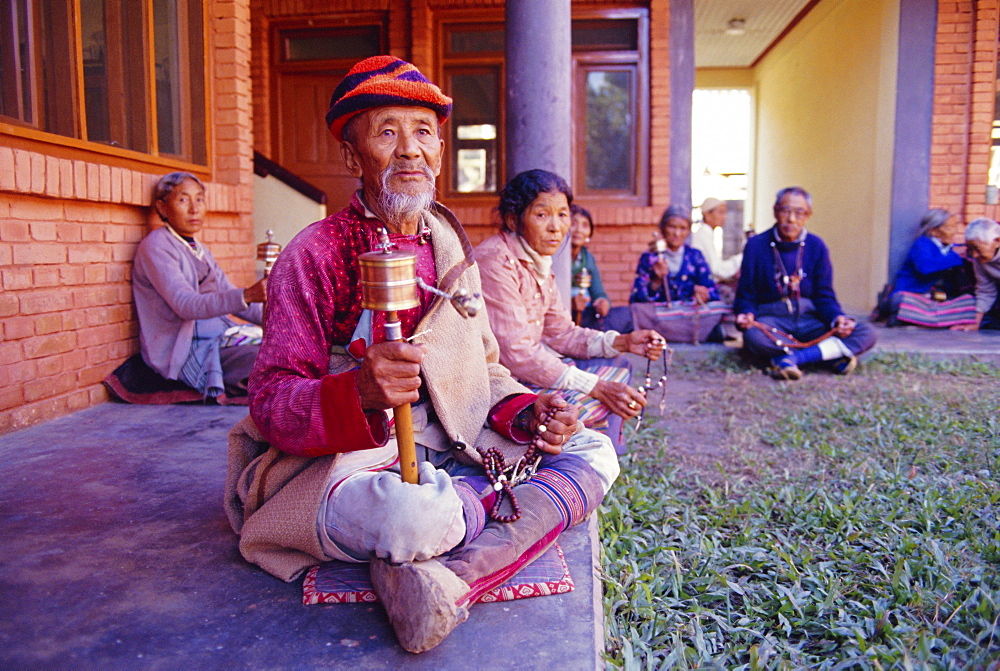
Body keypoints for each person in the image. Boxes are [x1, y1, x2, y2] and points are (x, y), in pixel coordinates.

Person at [223, 56, 629, 655]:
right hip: (347, 459)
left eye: (422, 132)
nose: (409, 150)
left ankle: (448, 576)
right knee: (411, 518)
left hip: (450, 436)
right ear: (351, 154)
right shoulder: (313, 254)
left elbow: (484, 366)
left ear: (440, 147)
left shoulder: (449, 246)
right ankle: (460, 522)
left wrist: (526, 410)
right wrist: (357, 392)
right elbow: (273, 400)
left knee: (593, 446)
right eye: (387, 132)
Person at [475, 169, 666, 455]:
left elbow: (561, 331)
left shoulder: (536, 261)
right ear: (514, 219)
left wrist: (622, 341)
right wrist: (597, 387)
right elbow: (517, 354)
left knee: (620, 364)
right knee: (597, 396)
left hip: (521, 372)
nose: (556, 227)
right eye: (542, 215)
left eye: (563, 215)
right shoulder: (496, 261)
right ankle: (581, 454)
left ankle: (602, 450)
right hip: (496, 385)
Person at [132, 172, 265, 398]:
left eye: (199, 199)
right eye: (183, 200)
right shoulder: (156, 246)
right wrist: (248, 294)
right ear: (162, 208)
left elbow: (231, 296)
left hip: (219, 336)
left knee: (288, 345)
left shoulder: (198, 249)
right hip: (188, 349)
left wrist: (285, 320)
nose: (194, 208)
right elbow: (186, 305)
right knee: (272, 358)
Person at [734, 186, 876, 380]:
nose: (792, 219)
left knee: (865, 332)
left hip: (810, 321)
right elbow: (746, 294)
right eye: (786, 211)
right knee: (753, 337)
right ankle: (826, 356)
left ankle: (789, 359)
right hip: (773, 321)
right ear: (775, 211)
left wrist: (837, 319)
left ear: (808, 215)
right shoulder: (756, 245)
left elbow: (825, 295)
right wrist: (746, 314)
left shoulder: (816, 246)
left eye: (799, 213)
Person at [884, 209, 974, 327]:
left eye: (955, 226)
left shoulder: (952, 249)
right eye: (948, 227)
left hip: (933, 302)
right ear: (933, 231)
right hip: (910, 298)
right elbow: (925, 267)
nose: (954, 232)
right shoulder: (922, 244)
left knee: (970, 302)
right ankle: (922, 318)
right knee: (901, 302)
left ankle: (914, 318)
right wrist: (954, 256)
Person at [630, 204, 720, 305]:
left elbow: (714, 293)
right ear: (663, 228)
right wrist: (656, 281)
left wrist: (704, 294)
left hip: (689, 318)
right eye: (672, 227)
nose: (677, 233)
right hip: (659, 319)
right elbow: (636, 300)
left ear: (688, 231)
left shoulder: (695, 256)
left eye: (683, 228)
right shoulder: (650, 258)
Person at [569, 203, 632, 332]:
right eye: (573, 224)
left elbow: (598, 292)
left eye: (585, 225)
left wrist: (602, 302)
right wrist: (570, 303)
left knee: (627, 314)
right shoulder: (555, 257)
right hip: (564, 314)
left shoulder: (588, 258)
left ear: (590, 233)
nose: (579, 230)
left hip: (587, 313)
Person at [952, 217, 1000, 331]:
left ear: (997, 241)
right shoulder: (980, 260)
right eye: (970, 249)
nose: (974, 255)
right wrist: (976, 324)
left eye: (978, 249)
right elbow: (986, 290)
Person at [690, 197, 742, 283]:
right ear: (707, 214)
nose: (724, 217)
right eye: (720, 212)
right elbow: (717, 270)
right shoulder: (703, 234)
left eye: (725, 213)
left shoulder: (707, 233)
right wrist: (741, 258)